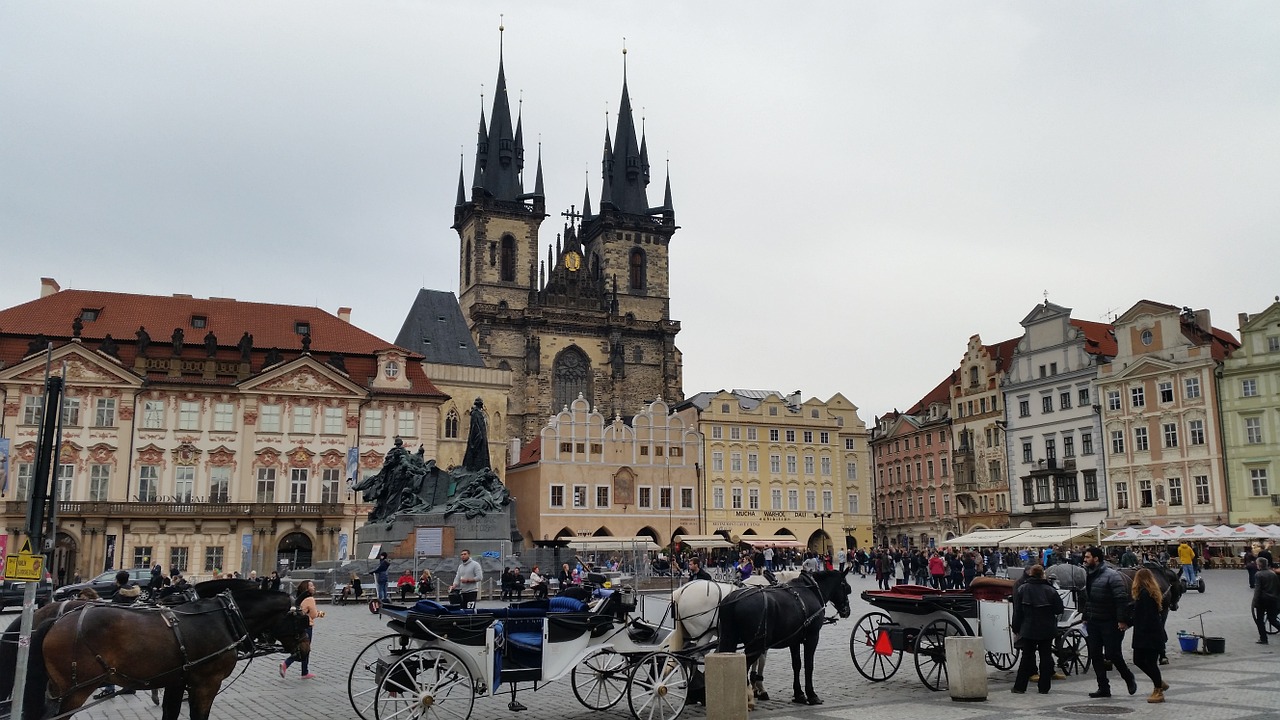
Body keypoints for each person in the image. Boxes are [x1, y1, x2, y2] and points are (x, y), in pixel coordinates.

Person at [1081, 546, 1138, 698]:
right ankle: (1103, 687)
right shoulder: (1089, 575)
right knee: (1095, 654)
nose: (1084, 560)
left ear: (1096, 559)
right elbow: (1089, 599)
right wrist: (1085, 616)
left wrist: (1121, 620)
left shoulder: (1112, 575)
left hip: (1110, 621)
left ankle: (1128, 676)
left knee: (1113, 654)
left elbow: (1121, 599)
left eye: (1087, 557)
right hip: (1094, 621)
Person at [1011, 565, 1064, 694]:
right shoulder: (1050, 590)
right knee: (1045, 656)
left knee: (1026, 657)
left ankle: (1020, 687)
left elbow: (1018, 611)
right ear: (1042, 575)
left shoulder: (1022, 589)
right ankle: (1044, 687)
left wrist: (1016, 626)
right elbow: (1059, 609)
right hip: (1047, 628)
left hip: (1028, 628)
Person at [93, 572, 142, 699]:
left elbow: (113, 614)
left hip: (120, 630)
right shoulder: (134, 591)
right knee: (130, 660)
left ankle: (109, 688)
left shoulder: (119, 594)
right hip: (135, 628)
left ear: (117, 580)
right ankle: (130, 686)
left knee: (109, 660)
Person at [1129, 567, 1169, 702]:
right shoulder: (1146, 593)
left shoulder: (1146, 595)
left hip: (1148, 636)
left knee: (1149, 662)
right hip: (1147, 635)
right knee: (1139, 660)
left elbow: (1145, 617)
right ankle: (1158, 682)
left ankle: (1158, 690)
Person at [280, 579, 324, 680]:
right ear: (307, 588)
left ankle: (305, 671)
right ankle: (286, 664)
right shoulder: (310, 599)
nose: (314, 587)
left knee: (303, 649)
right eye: (312, 586)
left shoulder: (298, 597)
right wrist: (320, 614)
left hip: (298, 625)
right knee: (305, 649)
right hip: (307, 625)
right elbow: (312, 614)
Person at [1252, 557, 1280, 644]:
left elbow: (1258, 590)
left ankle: (1263, 638)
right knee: (1272, 619)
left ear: (1259, 565)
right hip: (1273, 599)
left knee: (1260, 620)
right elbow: (1277, 587)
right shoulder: (1273, 574)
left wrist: (1254, 602)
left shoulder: (1258, 574)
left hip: (1263, 600)